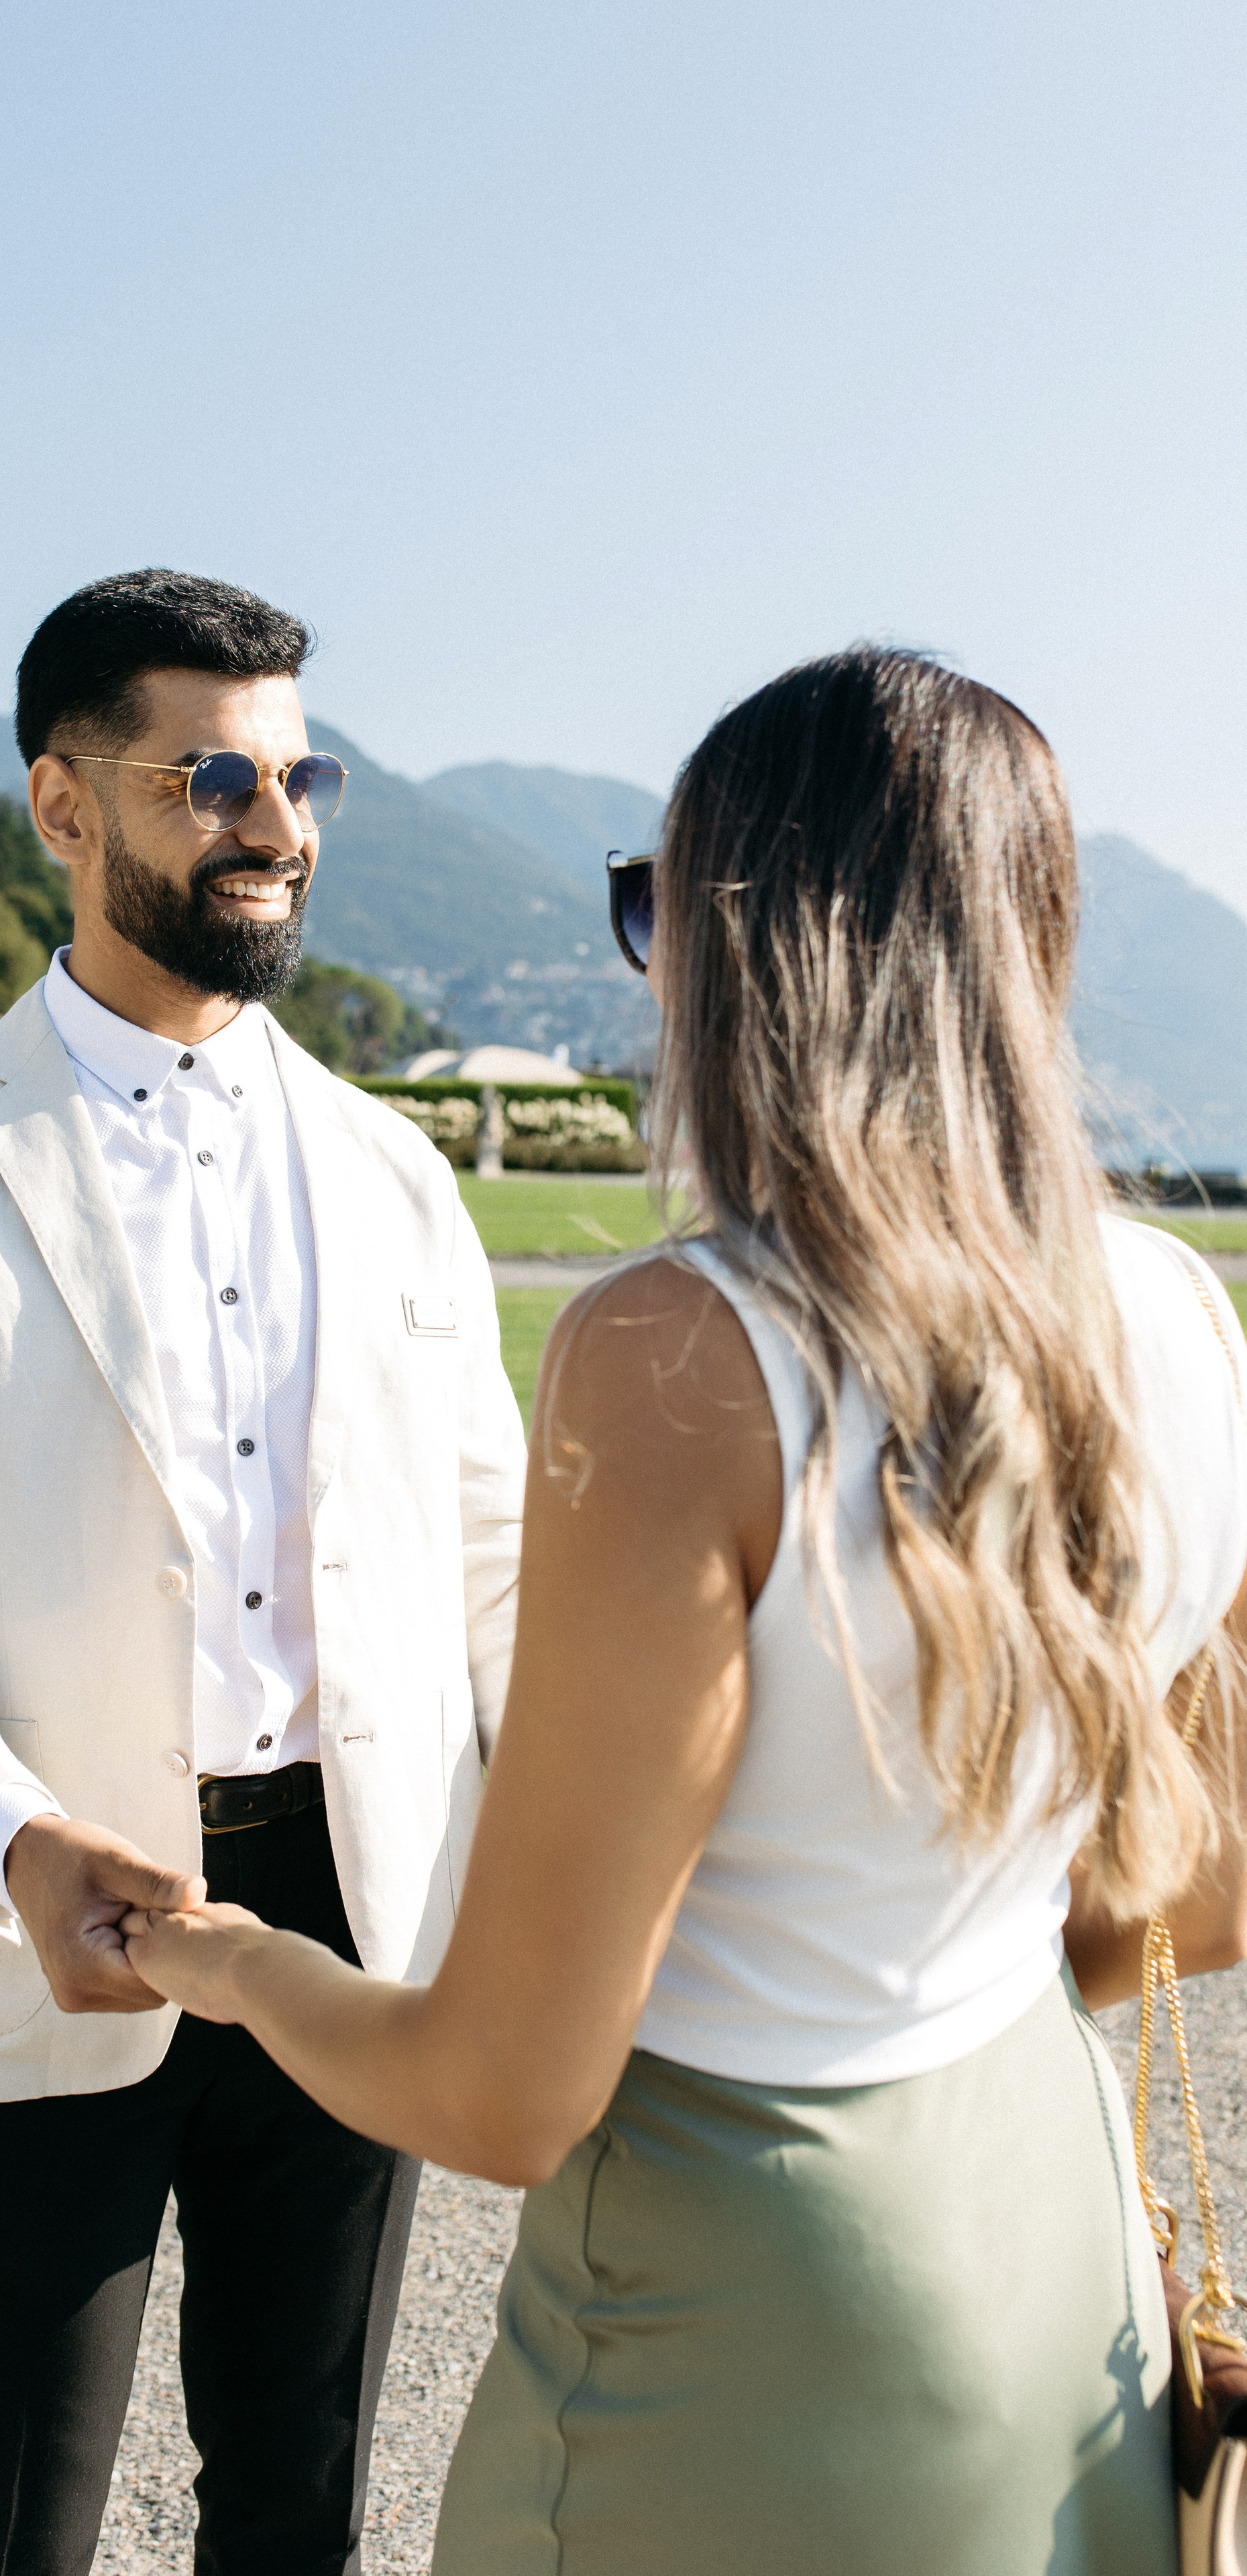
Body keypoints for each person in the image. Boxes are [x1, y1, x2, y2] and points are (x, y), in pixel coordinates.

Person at [122, 645, 1247, 2575]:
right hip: (1049, 2217)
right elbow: (1204, 1886)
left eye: (659, 903)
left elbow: (499, 2090)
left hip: (751, 2299)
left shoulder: (681, 1354)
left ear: (748, 942)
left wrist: (220, 1965)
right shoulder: (1173, 1311)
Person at [0, 567, 525, 2576]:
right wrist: (5, 1839)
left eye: (299, 774)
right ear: (62, 807)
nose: (278, 826)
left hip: (357, 1911)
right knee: (10, 2510)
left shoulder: (397, 1174)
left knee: (303, 2492)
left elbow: (492, 1559)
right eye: (213, 778)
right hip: (49, 1910)